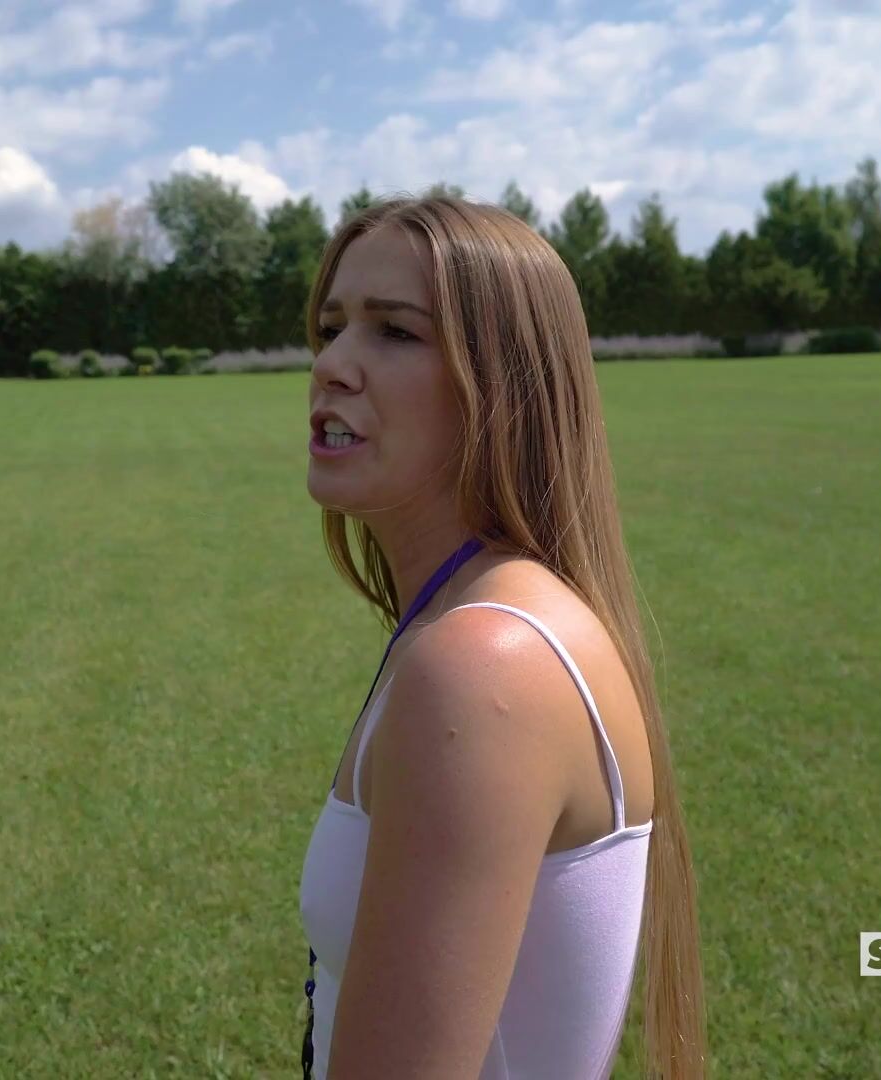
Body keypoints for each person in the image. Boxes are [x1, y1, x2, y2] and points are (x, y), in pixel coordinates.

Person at [296, 194, 707, 1079]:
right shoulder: (479, 627)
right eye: (331, 328)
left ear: (504, 384)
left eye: (393, 331)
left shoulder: (484, 668)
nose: (330, 364)